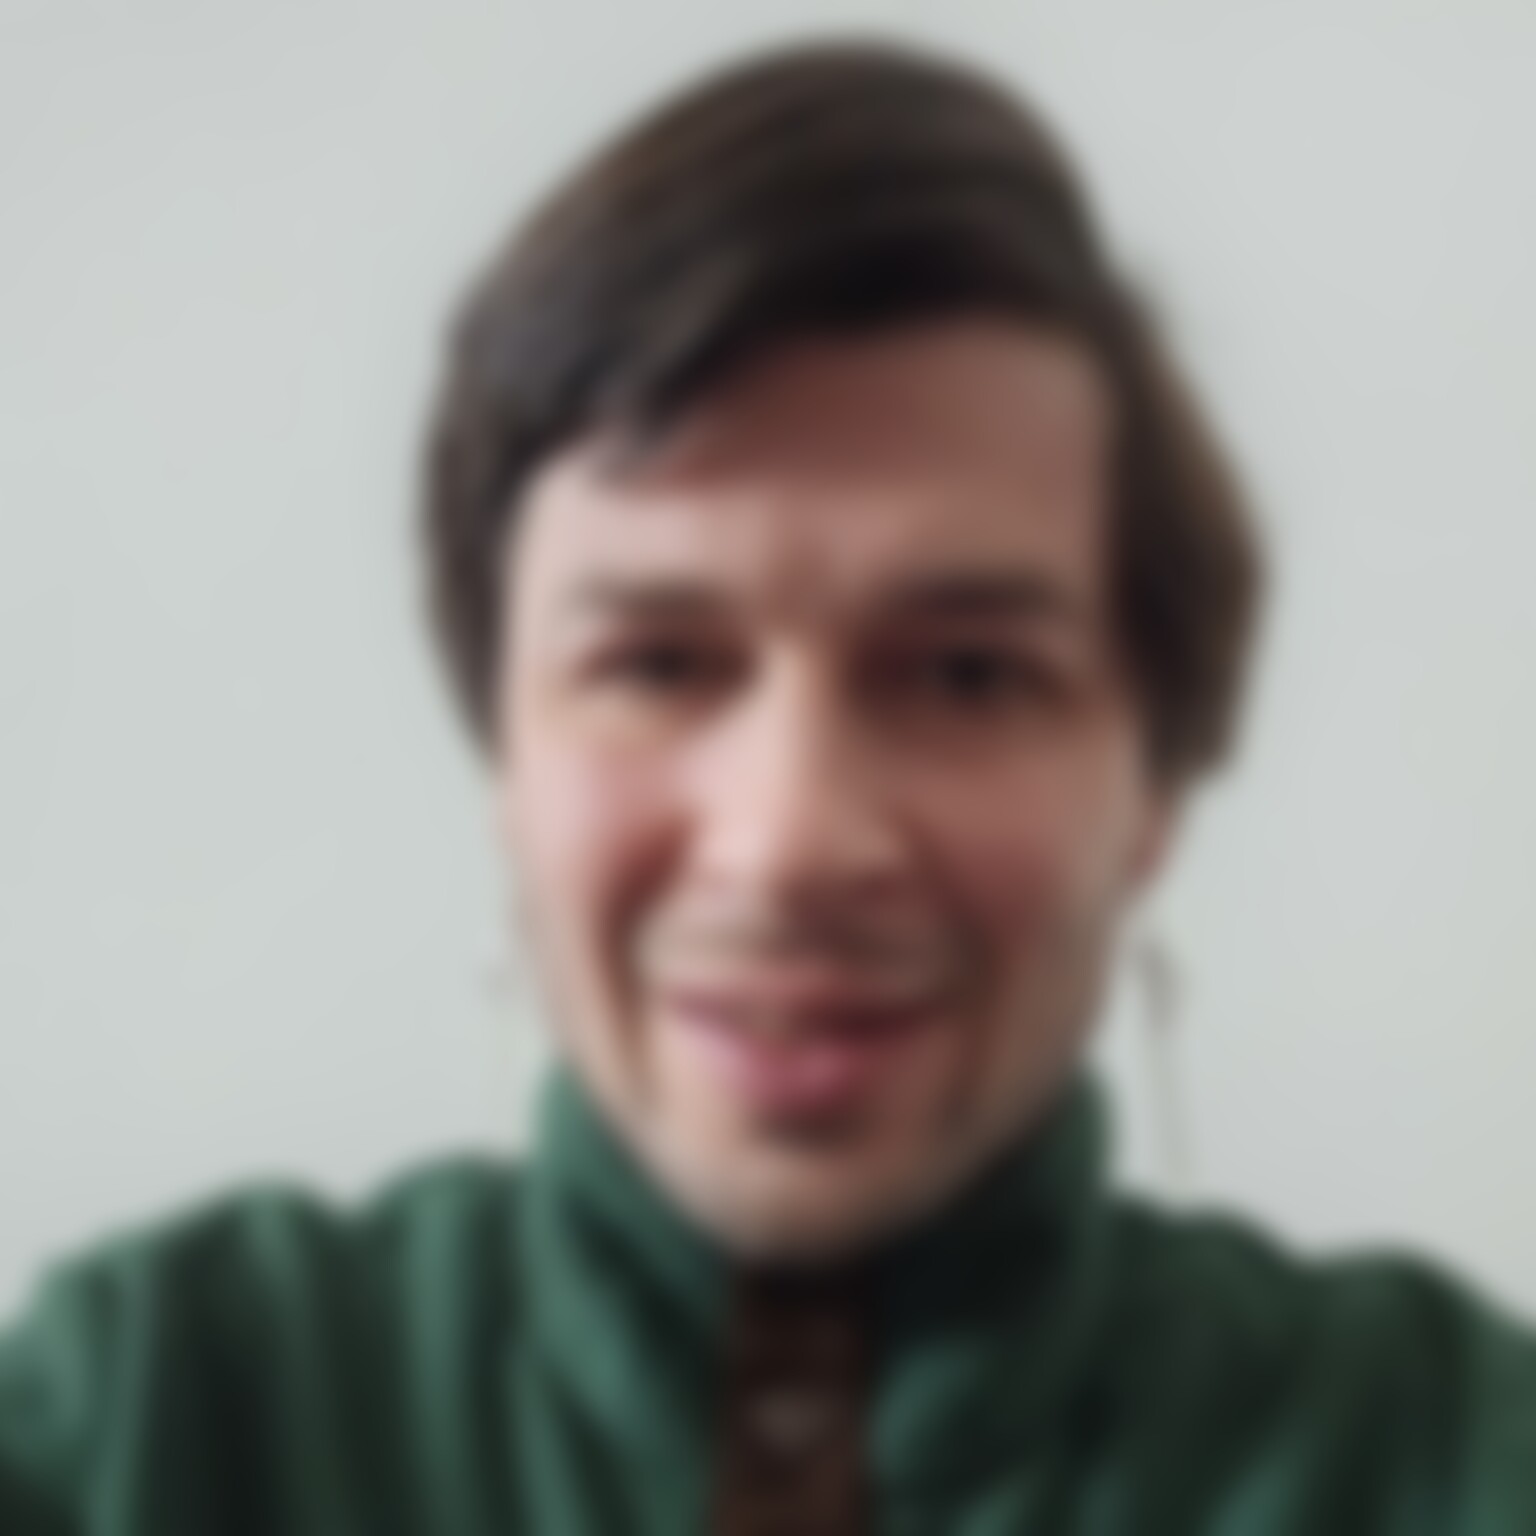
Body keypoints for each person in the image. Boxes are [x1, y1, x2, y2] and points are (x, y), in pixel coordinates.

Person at [2, 37, 1533, 1536]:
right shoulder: (145, 1419)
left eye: (968, 675)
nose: (790, 841)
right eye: (659, 665)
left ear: (1155, 786)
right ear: (504, 754)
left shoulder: (1454, 1454)